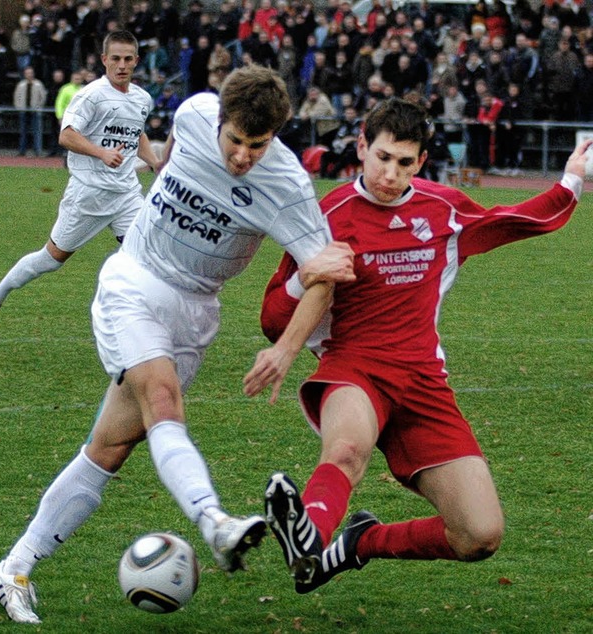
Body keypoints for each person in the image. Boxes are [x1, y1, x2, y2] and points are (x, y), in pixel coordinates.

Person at [0, 63, 355, 624]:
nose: (243, 156)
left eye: (259, 144)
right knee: (163, 402)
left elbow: (326, 276)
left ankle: (11, 570)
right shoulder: (195, 111)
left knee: (107, 450)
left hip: (195, 314)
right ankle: (215, 522)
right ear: (219, 119)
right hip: (134, 281)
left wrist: (285, 350)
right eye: (234, 140)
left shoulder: (288, 186)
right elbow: (180, 145)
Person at [243, 97, 589, 594]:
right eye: (382, 157)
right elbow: (273, 317)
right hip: (353, 369)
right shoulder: (327, 214)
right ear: (362, 147)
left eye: (405, 163)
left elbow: (513, 220)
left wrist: (570, 181)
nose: (390, 173)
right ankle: (309, 537)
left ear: (421, 162)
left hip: (424, 381)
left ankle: (358, 543)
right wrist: (306, 274)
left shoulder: (443, 210)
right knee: (346, 450)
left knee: (480, 534)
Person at [0, 31, 162, 335]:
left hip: (126, 194)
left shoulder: (142, 98)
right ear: (104, 60)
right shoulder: (92, 95)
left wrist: (153, 160)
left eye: (128, 59)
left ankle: (131, 319)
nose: (122, 65)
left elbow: (136, 131)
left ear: (137, 61)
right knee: (52, 259)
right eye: (115, 58)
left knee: (144, 254)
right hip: (88, 194)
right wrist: (101, 153)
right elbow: (67, 134)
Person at [13, 66, 47, 157]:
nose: (29, 75)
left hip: (34, 111)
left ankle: (37, 150)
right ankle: (22, 151)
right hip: (23, 110)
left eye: (30, 73)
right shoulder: (21, 84)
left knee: (36, 131)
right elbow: (17, 97)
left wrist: (39, 107)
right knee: (23, 132)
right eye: (27, 73)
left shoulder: (38, 84)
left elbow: (42, 97)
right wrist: (19, 107)